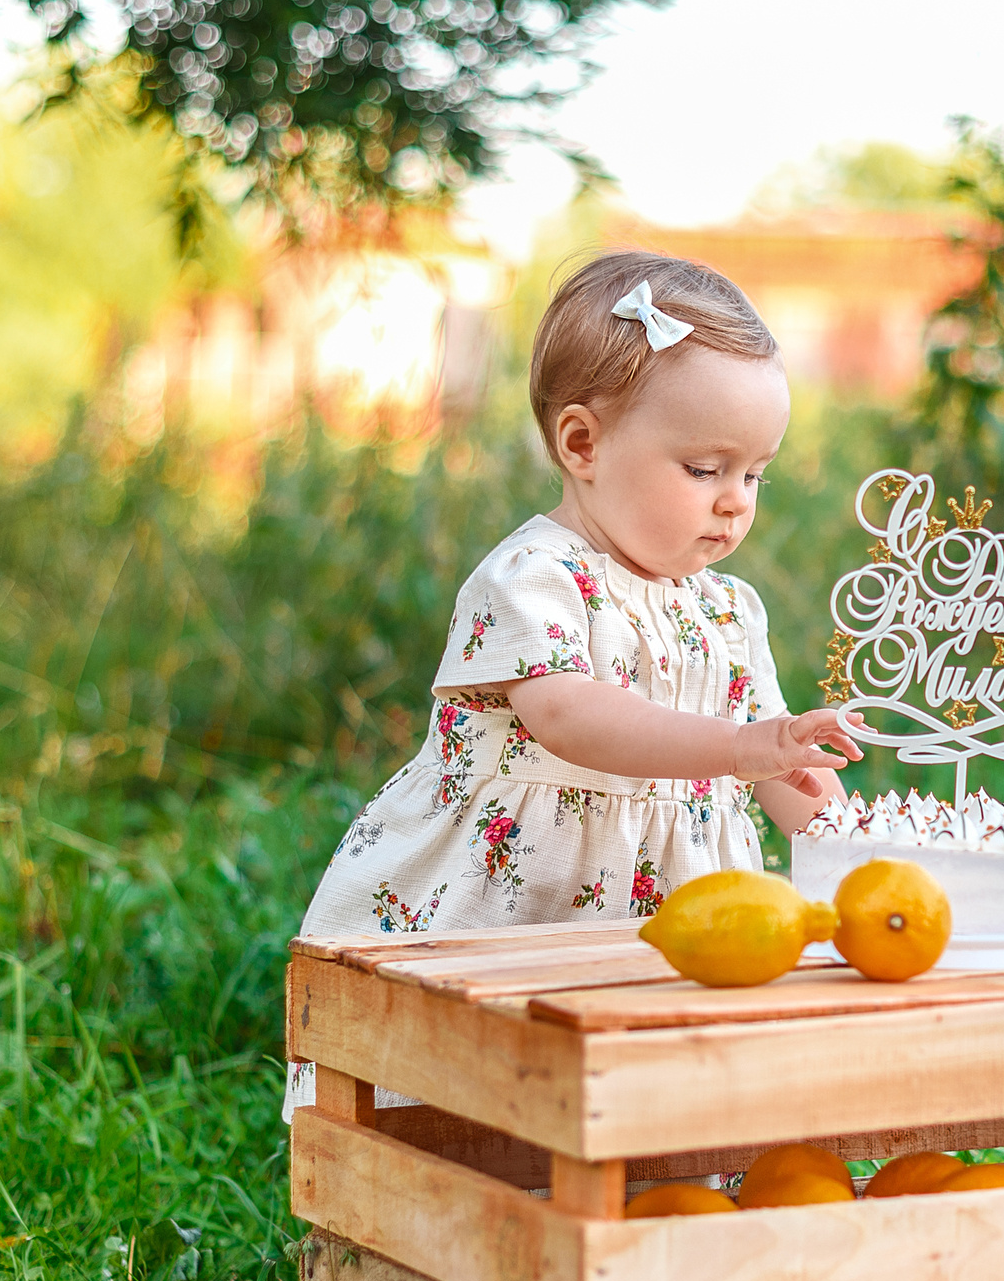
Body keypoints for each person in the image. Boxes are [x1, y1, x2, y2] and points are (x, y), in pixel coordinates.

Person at [299, 250, 862, 937]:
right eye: (705, 468)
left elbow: (775, 762)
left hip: (670, 925)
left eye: (754, 476)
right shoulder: (535, 575)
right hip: (508, 914)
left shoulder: (728, 610)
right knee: (487, 1037)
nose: (733, 503)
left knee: (658, 1034)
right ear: (582, 444)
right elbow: (565, 713)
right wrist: (739, 747)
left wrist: (852, 843)